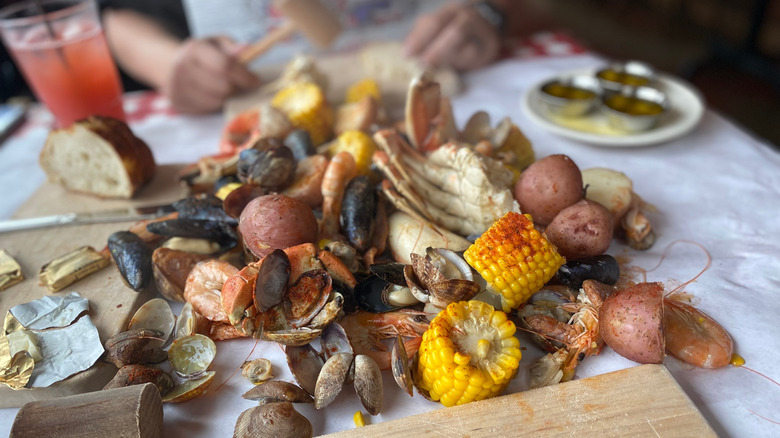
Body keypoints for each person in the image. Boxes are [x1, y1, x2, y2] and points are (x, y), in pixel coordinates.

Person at [100, 0, 551, 114]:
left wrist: (491, 15)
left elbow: (523, 9)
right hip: (245, 91)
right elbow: (115, 14)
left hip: (455, 83)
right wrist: (167, 62)